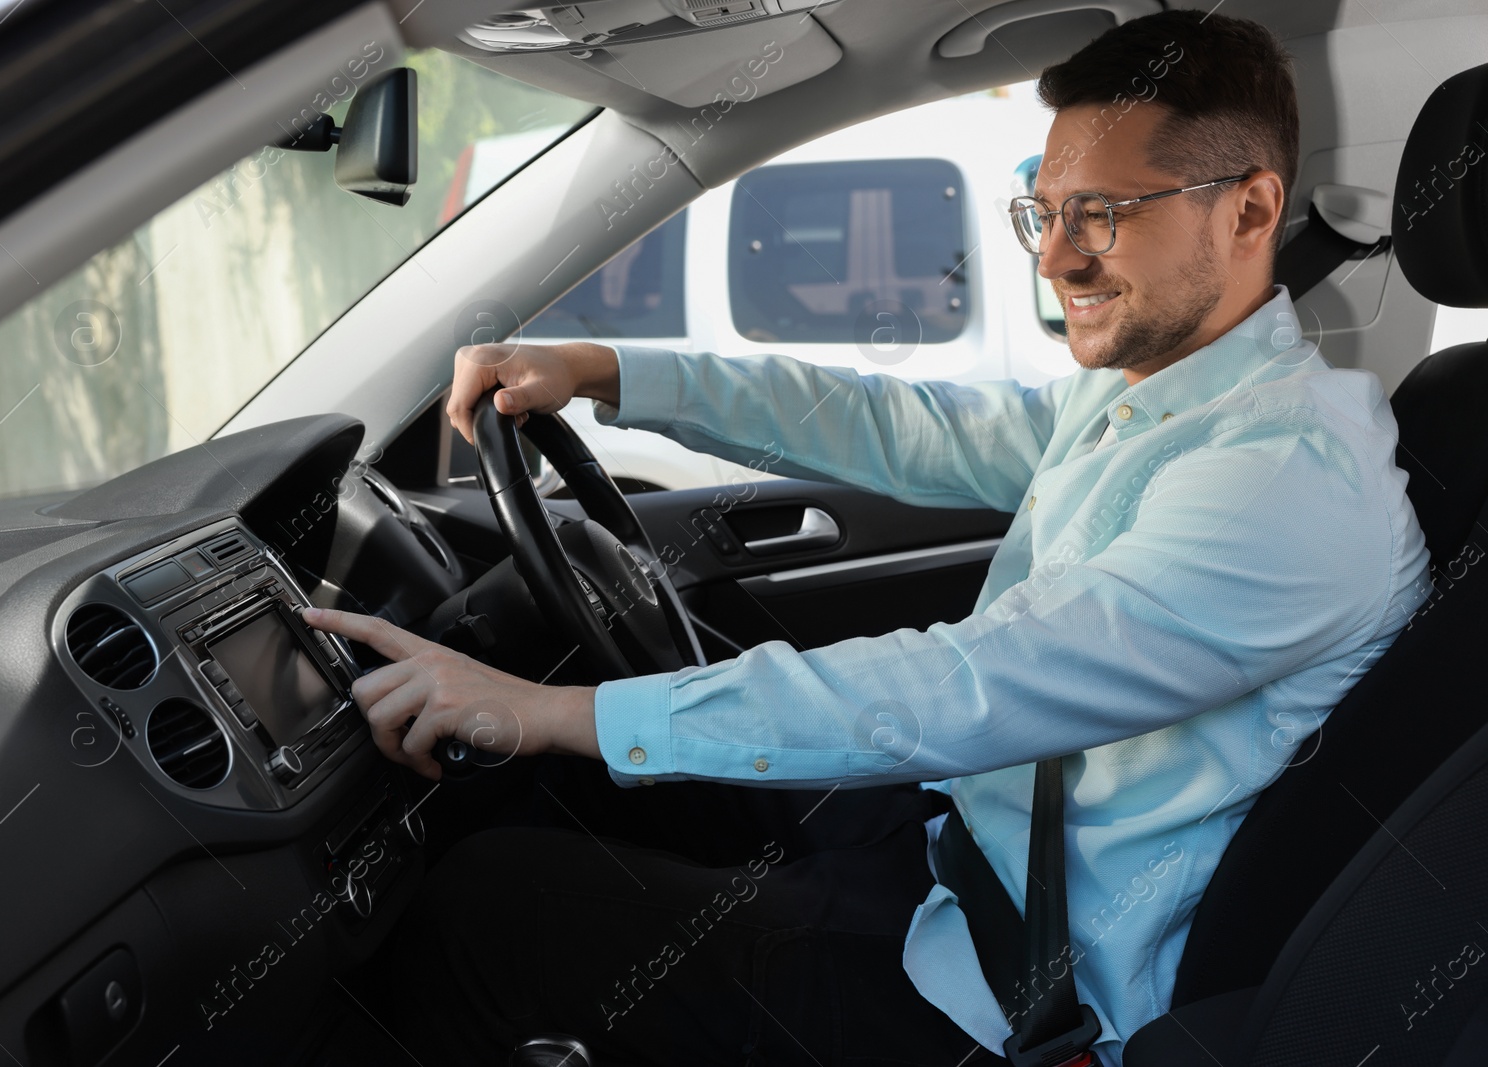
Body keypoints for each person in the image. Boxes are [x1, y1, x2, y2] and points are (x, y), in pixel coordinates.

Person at [305, 10, 1432, 1065]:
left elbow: (970, 685)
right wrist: (612, 370)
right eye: (1043, 211)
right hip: (959, 850)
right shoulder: (1175, 396)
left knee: (489, 906)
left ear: (1246, 210)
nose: (1053, 258)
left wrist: (555, 711)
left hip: (1014, 986)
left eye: (1103, 214)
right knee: (566, 805)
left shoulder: (1281, 477)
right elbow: (910, 425)